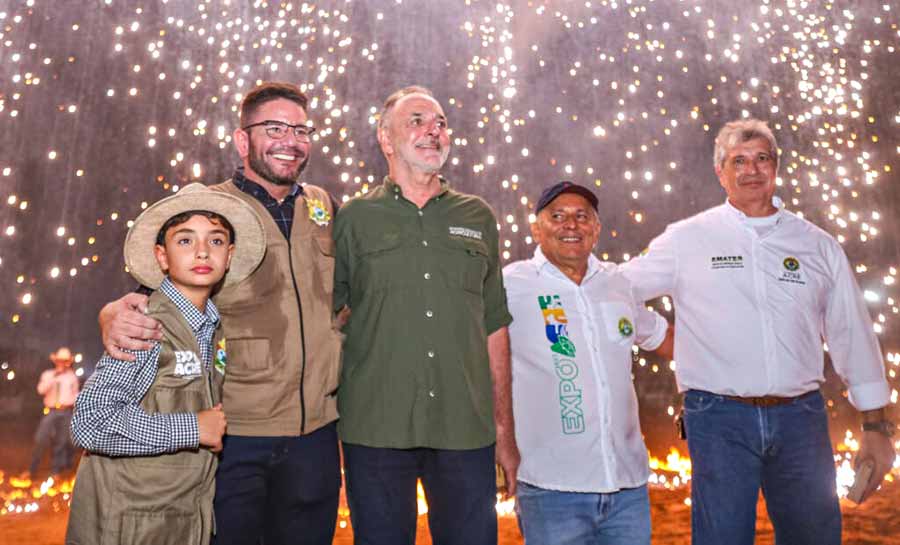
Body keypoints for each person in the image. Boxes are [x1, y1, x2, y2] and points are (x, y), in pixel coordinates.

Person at [621, 118, 895, 545]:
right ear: (720, 172)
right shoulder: (687, 239)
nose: (751, 170)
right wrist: (656, 334)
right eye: (739, 161)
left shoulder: (816, 244)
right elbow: (614, 290)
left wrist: (877, 428)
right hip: (718, 418)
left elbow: (852, 335)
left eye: (762, 159)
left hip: (800, 418)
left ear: (776, 167)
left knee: (815, 537)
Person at [96, 82, 343, 545]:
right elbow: (153, 293)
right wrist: (111, 312)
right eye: (274, 128)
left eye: (301, 129)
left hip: (316, 436)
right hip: (235, 435)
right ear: (241, 139)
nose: (290, 140)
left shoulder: (324, 206)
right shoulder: (209, 208)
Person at [333, 85, 518, 545]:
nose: (433, 131)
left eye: (440, 122)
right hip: (374, 429)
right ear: (386, 138)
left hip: (464, 430)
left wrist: (504, 431)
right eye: (416, 120)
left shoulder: (477, 216)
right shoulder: (353, 219)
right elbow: (329, 322)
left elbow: (495, 325)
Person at [66, 182, 266, 545]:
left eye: (216, 241)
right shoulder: (145, 326)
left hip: (180, 518)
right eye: (186, 240)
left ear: (230, 254)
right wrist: (193, 429)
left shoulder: (212, 328)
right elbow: (90, 422)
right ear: (162, 256)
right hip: (127, 524)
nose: (203, 251)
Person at [504, 181, 673, 545]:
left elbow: (667, 340)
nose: (571, 225)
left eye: (582, 217)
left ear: (596, 229)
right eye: (558, 216)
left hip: (627, 490)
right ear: (536, 228)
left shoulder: (617, 283)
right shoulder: (510, 286)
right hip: (553, 490)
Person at [27, 347, 80, 478]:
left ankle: (55, 471)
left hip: (66, 411)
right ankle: (32, 469)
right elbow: (40, 390)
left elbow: (76, 394)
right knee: (41, 438)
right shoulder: (47, 374)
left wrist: (72, 402)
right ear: (56, 361)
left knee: (61, 441)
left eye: (65, 361)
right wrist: (54, 377)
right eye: (60, 361)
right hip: (51, 411)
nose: (62, 363)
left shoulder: (72, 377)